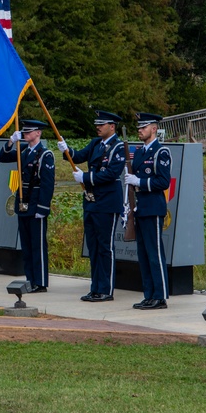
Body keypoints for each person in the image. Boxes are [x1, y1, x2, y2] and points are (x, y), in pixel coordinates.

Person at [58, 110, 127, 302]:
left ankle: (106, 289)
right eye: (97, 124)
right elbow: (78, 156)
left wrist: (86, 177)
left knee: (105, 247)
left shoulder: (118, 147)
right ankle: (95, 288)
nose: (98, 127)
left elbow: (112, 174)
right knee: (94, 247)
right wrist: (66, 150)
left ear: (112, 126)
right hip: (91, 202)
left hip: (107, 203)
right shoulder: (96, 143)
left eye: (102, 124)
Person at [0, 120, 54, 293]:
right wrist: (10, 141)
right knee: (27, 246)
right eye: (24, 132)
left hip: (36, 204)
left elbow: (47, 184)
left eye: (29, 132)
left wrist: (43, 208)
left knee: (37, 245)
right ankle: (30, 279)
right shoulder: (23, 151)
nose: (25, 134)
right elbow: (2, 157)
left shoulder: (45, 155)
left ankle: (41, 281)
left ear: (38, 133)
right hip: (23, 204)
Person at [125, 112, 172, 310]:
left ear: (154, 129)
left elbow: (163, 181)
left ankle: (160, 296)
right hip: (140, 207)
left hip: (153, 207)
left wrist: (140, 182)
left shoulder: (161, 152)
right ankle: (149, 294)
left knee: (154, 253)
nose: (140, 130)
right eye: (139, 128)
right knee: (143, 254)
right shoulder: (140, 152)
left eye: (143, 128)